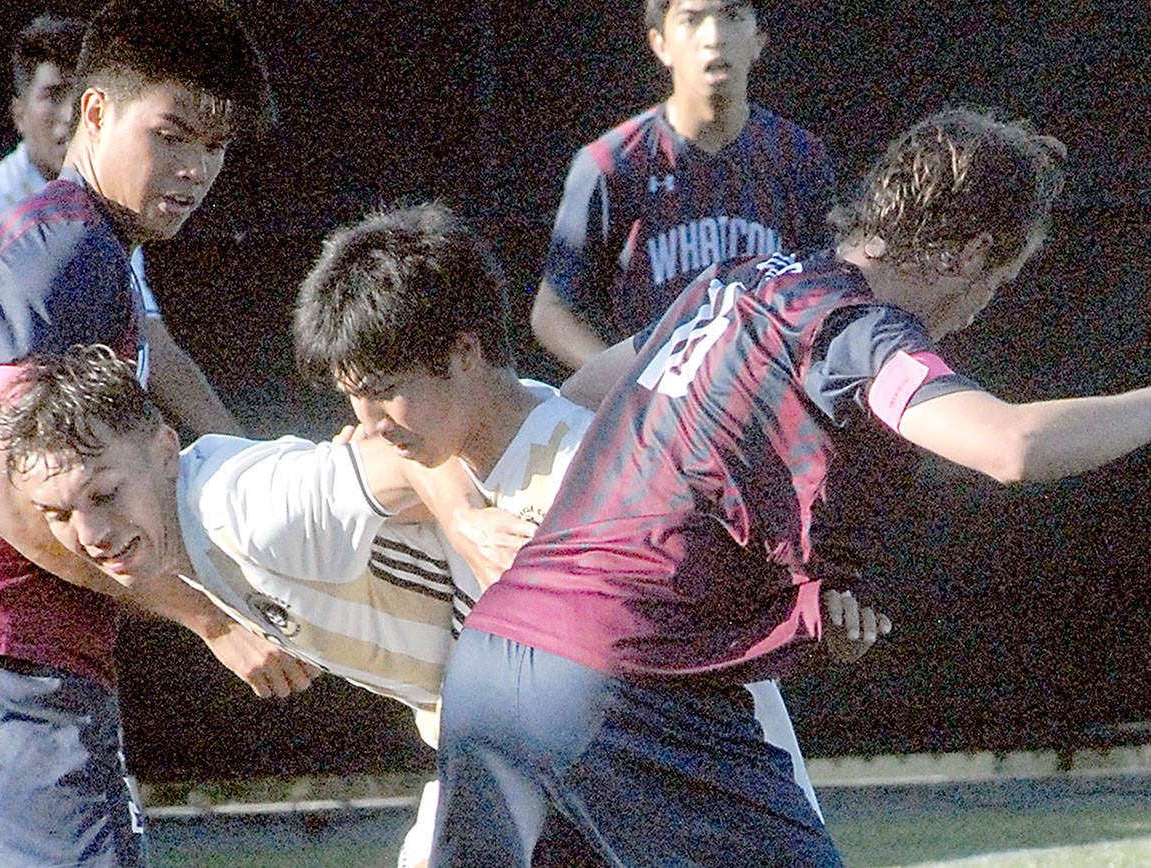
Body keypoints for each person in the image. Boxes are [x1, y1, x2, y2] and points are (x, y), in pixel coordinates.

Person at [429, 108, 1151, 866]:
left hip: (492, 668)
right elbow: (1012, 446)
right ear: (970, 255)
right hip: (621, 687)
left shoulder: (734, 285)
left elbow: (580, 391)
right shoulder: (854, 329)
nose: (984, 308)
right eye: (999, 281)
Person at [291, 202, 888, 866]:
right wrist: (461, 518)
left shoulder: (594, 478)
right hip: (519, 767)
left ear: (464, 351)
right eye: (354, 398)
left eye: (385, 391)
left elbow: (720, 682)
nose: (367, 423)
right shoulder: (434, 452)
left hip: (625, 773)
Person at [0, 3, 301, 865]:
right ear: (94, 112)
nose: (194, 170)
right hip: (2, 651)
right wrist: (209, 619)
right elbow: (18, 504)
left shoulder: (79, 244)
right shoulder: (66, 252)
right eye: (171, 135)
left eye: (214, 148)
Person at [0, 12, 240, 436]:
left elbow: (155, 345)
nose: (67, 115)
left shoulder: (111, 209)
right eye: (52, 95)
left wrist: (243, 453)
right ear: (19, 113)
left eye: (213, 145)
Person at [530, 0, 835, 371]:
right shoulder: (615, 163)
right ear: (661, 44)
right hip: (659, 410)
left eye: (732, 16)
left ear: (759, 39)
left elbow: (828, 289)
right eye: (691, 20)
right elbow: (552, 311)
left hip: (767, 400)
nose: (714, 37)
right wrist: (633, 385)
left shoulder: (798, 157)